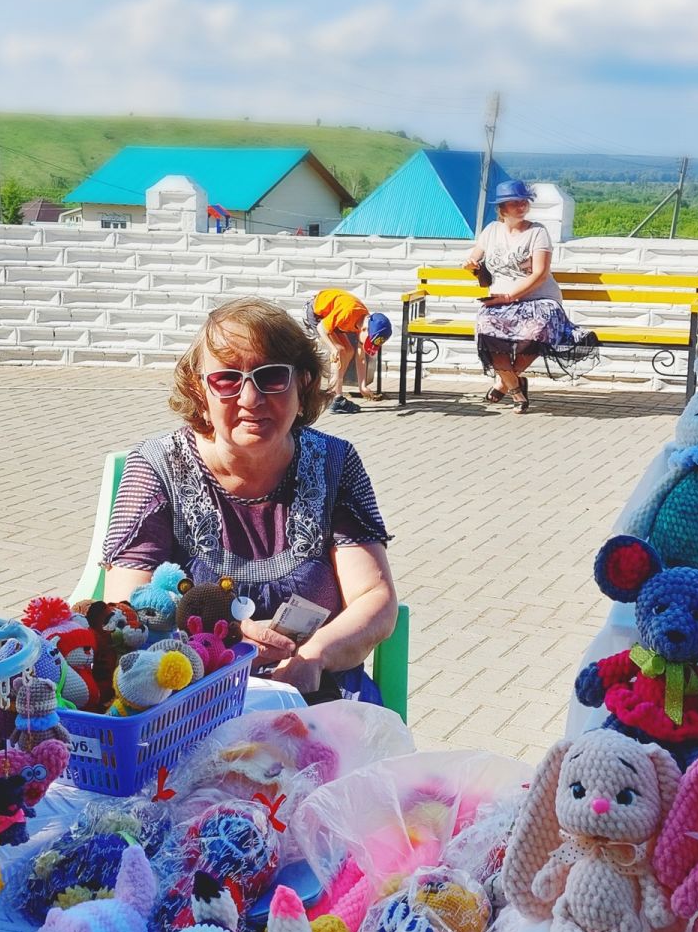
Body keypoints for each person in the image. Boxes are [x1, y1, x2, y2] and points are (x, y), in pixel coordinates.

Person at [101, 297, 398, 700]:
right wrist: (230, 639)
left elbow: (374, 598)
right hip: (187, 702)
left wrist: (314, 656)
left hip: (319, 695)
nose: (249, 399)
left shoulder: (336, 462)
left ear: (304, 381)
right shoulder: (155, 467)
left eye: (272, 376)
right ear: (198, 388)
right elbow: (125, 612)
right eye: (226, 379)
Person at [465, 178, 577, 412]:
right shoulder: (491, 230)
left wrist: (509, 297)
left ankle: (506, 384)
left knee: (539, 328)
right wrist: (472, 263)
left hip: (538, 299)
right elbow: (475, 256)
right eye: (514, 202)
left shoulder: (537, 231)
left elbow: (540, 274)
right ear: (502, 208)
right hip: (499, 299)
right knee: (486, 328)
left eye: (524, 201)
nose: (521, 206)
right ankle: (517, 389)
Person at [303, 288, 391, 412]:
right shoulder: (348, 313)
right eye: (369, 341)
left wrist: (362, 386)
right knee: (339, 350)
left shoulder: (364, 324)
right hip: (315, 313)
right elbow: (322, 327)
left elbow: (361, 358)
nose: (367, 344)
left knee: (349, 351)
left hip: (332, 318)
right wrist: (333, 348)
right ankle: (335, 398)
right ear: (365, 329)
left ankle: (335, 393)